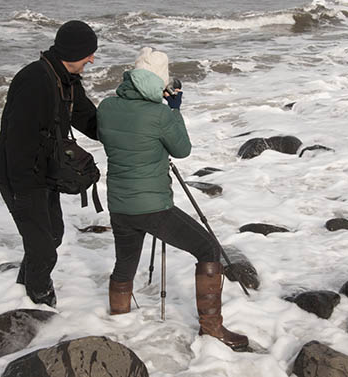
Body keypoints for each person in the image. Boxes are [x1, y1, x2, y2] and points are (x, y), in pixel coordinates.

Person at [96, 47, 248, 350]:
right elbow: (181, 150)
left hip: (120, 205)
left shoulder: (107, 107)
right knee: (207, 248)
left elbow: (118, 138)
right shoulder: (161, 113)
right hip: (153, 206)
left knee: (125, 263)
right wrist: (174, 109)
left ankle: (119, 324)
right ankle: (212, 328)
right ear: (158, 82)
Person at [0, 20, 99, 307]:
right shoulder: (35, 79)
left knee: (53, 236)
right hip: (20, 177)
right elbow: (17, 142)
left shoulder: (66, 81)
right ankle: (40, 305)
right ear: (74, 51)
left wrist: (138, 122)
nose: (92, 59)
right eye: (89, 53)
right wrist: (25, 191)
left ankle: (22, 294)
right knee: (43, 249)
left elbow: (92, 121)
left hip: (45, 174)